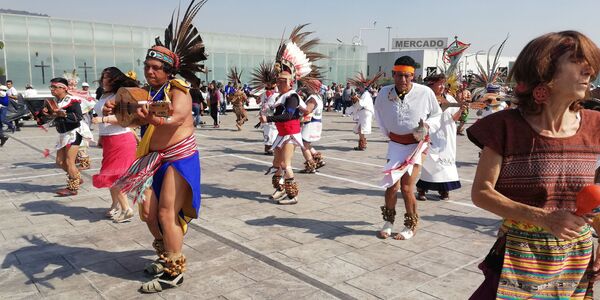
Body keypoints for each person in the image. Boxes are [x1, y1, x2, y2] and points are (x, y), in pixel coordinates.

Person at [467, 30, 600, 299]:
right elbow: (482, 193)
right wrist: (544, 218)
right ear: (545, 70)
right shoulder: (505, 127)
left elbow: (595, 196)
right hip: (520, 256)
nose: (589, 69)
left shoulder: (596, 125)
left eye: (590, 62)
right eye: (576, 59)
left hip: (575, 258)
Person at [106, 0, 207, 292]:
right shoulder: (149, 92)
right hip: (154, 160)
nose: (149, 71)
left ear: (168, 70)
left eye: (155, 67)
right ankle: (165, 255)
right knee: (149, 213)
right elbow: (136, 118)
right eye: (147, 66)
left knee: (166, 213)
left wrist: (150, 116)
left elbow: (175, 118)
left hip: (179, 158)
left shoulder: (179, 90)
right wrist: (119, 106)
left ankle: (173, 270)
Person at [374, 56, 442, 240]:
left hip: (416, 146)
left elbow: (437, 114)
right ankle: (388, 221)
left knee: (406, 188)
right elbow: (378, 114)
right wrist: (389, 133)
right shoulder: (384, 93)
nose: (403, 80)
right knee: (391, 185)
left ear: (413, 75)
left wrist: (426, 126)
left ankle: (410, 224)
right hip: (395, 144)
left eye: (407, 76)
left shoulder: (425, 92)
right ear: (393, 74)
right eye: (399, 75)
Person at [259, 24, 323, 205]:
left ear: (291, 82)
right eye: (278, 80)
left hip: (290, 134)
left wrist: (268, 118)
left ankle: (293, 195)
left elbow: (288, 116)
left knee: (286, 165)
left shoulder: (292, 96)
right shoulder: (280, 95)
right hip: (282, 134)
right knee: (277, 164)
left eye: (282, 81)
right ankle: (279, 189)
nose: (279, 83)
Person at [91, 67, 139, 223]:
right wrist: (100, 136)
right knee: (110, 175)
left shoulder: (121, 95)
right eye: (103, 77)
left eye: (109, 78)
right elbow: (101, 115)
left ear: (116, 79)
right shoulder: (104, 95)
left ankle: (126, 209)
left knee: (114, 177)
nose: (105, 80)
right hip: (109, 139)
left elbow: (126, 119)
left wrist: (103, 120)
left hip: (121, 139)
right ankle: (115, 205)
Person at [416, 74, 466, 200]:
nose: (443, 87)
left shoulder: (449, 98)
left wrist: (461, 110)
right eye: (440, 84)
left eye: (444, 84)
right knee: (430, 162)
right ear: (431, 84)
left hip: (447, 135)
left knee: (446, 162)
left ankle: (444, 189)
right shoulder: (426, 98)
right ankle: (422, 188)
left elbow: (454, 118)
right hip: (432, 133)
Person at [41, 77, 94, 196]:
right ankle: (76, 177)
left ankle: (72, 187)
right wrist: (47, 113)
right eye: (51, 87)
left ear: (63, 88)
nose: (52, 89)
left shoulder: (72, 100)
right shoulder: (56, 102)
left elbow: (77, 117)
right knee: (60, 162)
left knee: (69, 161)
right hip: (63, 133)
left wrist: (62, 115)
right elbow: (51, 117)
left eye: (55, 87)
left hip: (73, 133)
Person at [347, 71, 383, 151]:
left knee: (361, 129)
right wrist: (355, 100)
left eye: (360, 87)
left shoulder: (366, 94)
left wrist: (357, 99)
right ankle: (362, 144)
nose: (359, 88)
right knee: (360, 129)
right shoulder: (363, 94)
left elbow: (362, 104)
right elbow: (359, 104)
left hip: (366, 113)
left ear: (363, 87)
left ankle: (362, 145)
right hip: (363, 113)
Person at [251, 61, 279, 155]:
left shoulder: (277, 94)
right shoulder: (264, 94)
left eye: (269, 84)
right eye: (266, 84)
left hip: (273, 116)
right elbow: (258, 101)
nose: (267, 86)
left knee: (273, 132)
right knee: (266, 132)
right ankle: (267, 148)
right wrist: (258, 98)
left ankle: (273, 148)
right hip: (264, 116)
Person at [299, 82, 326, 173]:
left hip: (311, 124)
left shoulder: (312, 98)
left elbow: (307, 110)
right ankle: (318, 159)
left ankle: (310, 165)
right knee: (306, 143)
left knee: (303, 145)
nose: (306, 88)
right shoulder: (318, 97)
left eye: (308, 86)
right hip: (316, 123)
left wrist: (298, 106)